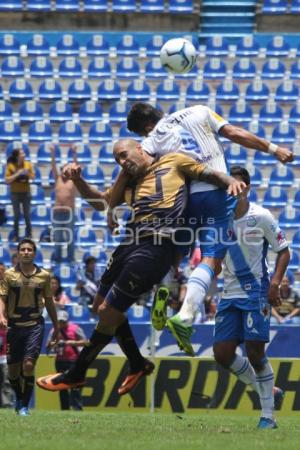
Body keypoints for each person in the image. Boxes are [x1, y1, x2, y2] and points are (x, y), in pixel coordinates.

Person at [36, 138, 246, 395]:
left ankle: (77, 372)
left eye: (124, 155)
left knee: (109, 311)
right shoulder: (129, 185)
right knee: (99, 307)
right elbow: (101, 201)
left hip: (156, 246)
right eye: (117, 160)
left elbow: (208, 173)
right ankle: (136, 363)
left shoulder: (174, 162)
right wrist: (78, 180)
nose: (122, 162)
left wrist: (230, 181)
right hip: (129, 242)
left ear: (139, 147)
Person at [119, 102, 294, 355]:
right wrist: (274, 149)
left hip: (182, 201)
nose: (145, 137)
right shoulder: (199, 111)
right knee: (212, 260)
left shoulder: (152, 140)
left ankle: (164, 288)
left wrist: (112, 205)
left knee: (174, 254)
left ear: (148, 127)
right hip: (215, 193)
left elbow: (130, 172)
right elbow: (234, 133)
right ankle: (186, 315)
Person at [212, 166, 290, 429]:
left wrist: (276, 283)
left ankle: (268, 416)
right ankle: (271, 392)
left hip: (256, 291)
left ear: (247, 188)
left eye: (240, 185)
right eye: (230, 185)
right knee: (222, 354)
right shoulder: (220, 219)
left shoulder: (262, 216)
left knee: (255, 353)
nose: (235, 189)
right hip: (229, 293)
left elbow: (284, 251)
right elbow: (216, 256)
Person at [0, 238, 59, 416]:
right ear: (18, 253)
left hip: (34, 324)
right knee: (13, 370)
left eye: (29, 250)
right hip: (14, 326)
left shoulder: (44, 276)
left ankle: (24, 405)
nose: (26, 252)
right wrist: (1, 315)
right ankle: (19, 398)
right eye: (23, 249)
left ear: (34, 253)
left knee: (28, 365)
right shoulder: (9, 275)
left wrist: (56, 326)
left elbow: (49, 301)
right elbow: (2, 298)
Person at [46, 310, 88, 411]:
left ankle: (77, 408)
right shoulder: (54, 330)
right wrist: (55, 343)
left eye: (63, 321)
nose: (61, 323)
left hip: (73, 361)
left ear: (67, 320)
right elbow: (48, 345)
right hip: (60, 361)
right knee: (61, 387)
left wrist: (70, 342)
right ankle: (64, 409)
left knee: (75, 386)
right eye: (59, 321)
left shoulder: (75, 329)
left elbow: (85, 342)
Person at [51, 144, 77, 264]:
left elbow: (76, 167)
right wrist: (52, 153)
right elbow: (53, 166)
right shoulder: (58, 179)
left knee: (70, 238)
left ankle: (71, 259)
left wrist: (74, 153)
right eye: (62, 169)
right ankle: (57, 259)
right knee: (58, 238)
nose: (64, 171)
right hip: (57, 213)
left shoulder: (73, 181)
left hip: (69, 213)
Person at [5, 148, 35, 241]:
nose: (24, 154)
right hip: (15, 193)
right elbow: (7, 180)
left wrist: (28, 173)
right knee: (17, 215)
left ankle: (29, 234)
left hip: (26, 193)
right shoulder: (11, 166)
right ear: (17, 156)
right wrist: (17, 174)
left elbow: (33, 177)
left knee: (27, 215)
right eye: (22, 153)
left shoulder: (28, 164)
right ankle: (16, 235)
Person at [0, 263, 14, 408]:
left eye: (2, 271)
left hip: (6, 340)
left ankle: (7, 403)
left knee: (6, 377)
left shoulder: (9, 292)